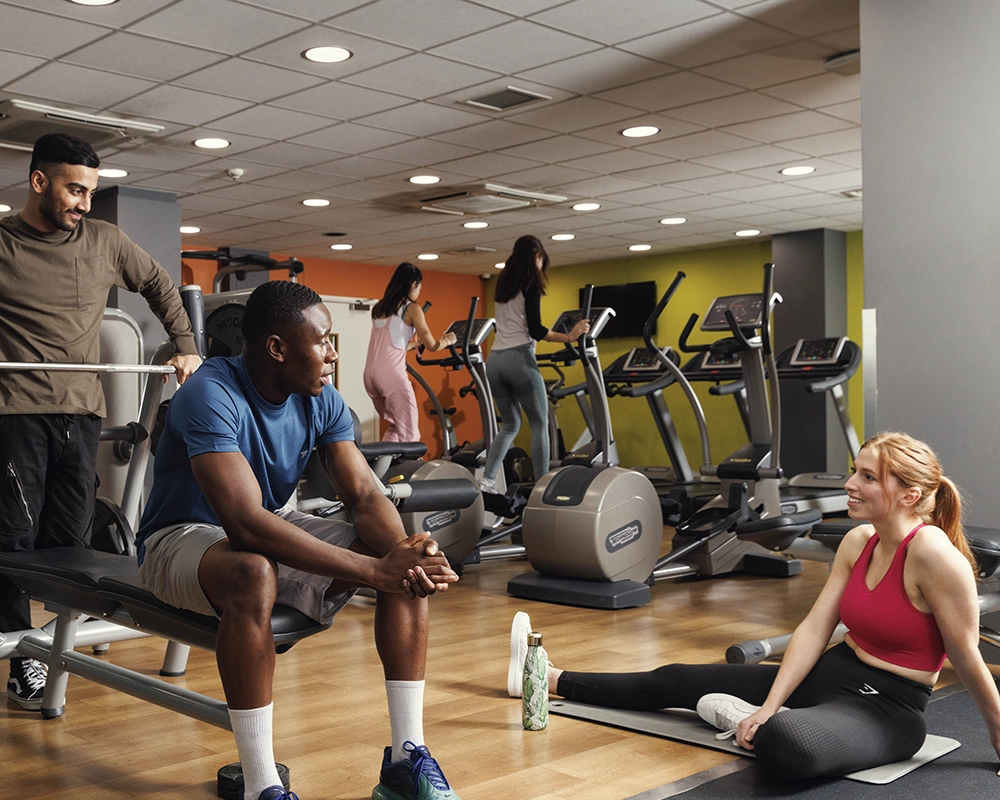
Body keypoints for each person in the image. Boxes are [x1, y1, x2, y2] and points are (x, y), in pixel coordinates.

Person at [0, 132, 201, 711]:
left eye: (92, 192)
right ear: (39, 181)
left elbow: (157, 284)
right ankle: (22, 658)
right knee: (15, 541)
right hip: (14, 410)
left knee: (64, 545)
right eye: (75, 189)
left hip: (81, 412)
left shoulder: (104, 241)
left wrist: (185, 344)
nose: (84, 203)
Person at [506, 431, 1000, 781]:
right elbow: (812, 630)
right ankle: (547, 677)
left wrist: (999, 736)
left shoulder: (933, 555)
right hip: (830, 674)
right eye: (855, 471)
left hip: (888, 707)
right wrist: (768, 704)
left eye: (868, 478)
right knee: (677, 677)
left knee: (789, 744)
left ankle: (739, 719)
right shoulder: (858, 541)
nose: (850, 484)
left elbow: (966, 655)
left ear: (909, 494)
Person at [136, 280, 462, 800]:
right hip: (178, 540)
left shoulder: (323, 400)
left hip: (263, 529)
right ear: (276, 348)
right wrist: (376, 572)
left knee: (399, 555)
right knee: (252, 571)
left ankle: (407, 756)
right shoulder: (209, 394)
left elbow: (364, 494)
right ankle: (262, 786)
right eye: (323, 340)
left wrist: (404, 553)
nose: (333, 354)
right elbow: (242, 522)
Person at [480, 235, 589, 492]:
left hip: (495, 361)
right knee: (541, 422)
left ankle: (486, 480)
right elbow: (538, 330)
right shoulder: (531, 283)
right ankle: (542, 487)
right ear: (537, 256)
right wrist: (570, 336)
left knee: (511, 424)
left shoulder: (503, 285)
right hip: (518, 359)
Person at [363, 262, 457, 444]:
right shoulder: (411, 308)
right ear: (413, 284)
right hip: (391, 376)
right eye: (419, 288)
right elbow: (432, 345)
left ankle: (380, 472)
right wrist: (448, 340)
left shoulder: (380, 308)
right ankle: (411, 471)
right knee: (410, 435)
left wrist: (413, 346)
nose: (418, 293)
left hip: (370, 377)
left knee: (396, 428)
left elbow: (389, 345)